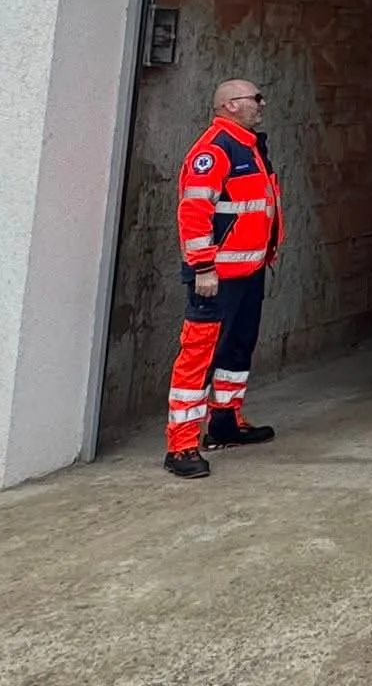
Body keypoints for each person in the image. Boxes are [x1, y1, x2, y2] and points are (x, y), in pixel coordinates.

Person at [163, 79, 284, 478]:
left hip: (247, 272)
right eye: (255, 98)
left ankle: (225, 423)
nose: (261, 104)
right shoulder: (215, 150)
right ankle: (181, 446)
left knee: (236, 350)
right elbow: (194, 211)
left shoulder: (249, 146)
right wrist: (203, 267)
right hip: (215, 277)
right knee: (199, 356)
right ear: (231, 105)